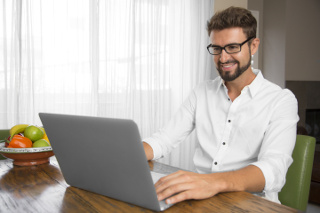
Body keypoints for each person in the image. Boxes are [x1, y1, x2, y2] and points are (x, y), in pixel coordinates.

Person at [143, 6, 299, 205]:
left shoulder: (281, 100)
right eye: (216, 49)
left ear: (253, 46)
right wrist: (123, 155)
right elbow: (164, 139)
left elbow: (273, 168)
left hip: (252, 204)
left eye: (233, 47)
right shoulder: (202, 92)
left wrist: (212, 182)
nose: (223, 58)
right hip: (202, 201)